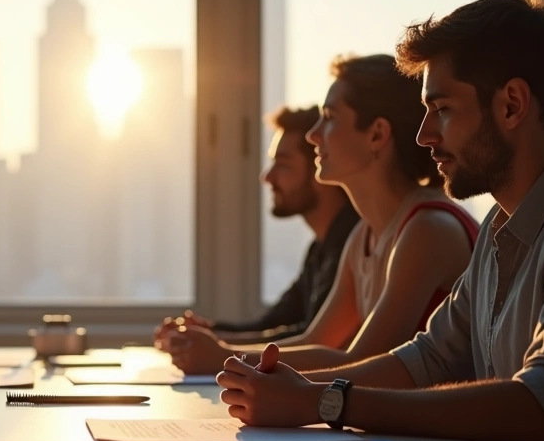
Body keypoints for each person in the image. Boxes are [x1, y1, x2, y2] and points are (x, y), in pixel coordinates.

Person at [218, 0, 544, 441]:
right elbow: (426, 361)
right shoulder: (502, 227)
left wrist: (326, 402)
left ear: (512, 105)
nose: (425, 134)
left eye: (443, 109)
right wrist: (291, 390)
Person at [169, 54, 478, 374]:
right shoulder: (364, 236)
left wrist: (223, 356)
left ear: (376, 134)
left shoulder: (427, 230)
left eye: (329, 117)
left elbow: (361, 363)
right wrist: (220, 350)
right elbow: (317, 340)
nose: (313, 135)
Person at [155, 106, 358, 346]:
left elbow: (314, 340)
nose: (267, 177)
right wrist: (208, 332)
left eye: (282, 164)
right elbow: (273, 323)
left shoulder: (352, 241)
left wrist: (218, 346)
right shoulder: (320, 249)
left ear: (320, 165)